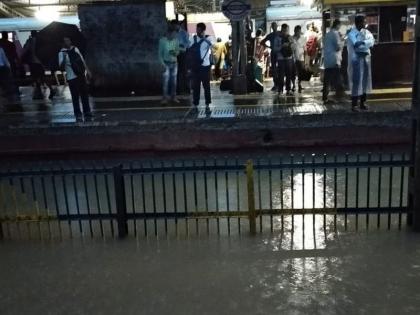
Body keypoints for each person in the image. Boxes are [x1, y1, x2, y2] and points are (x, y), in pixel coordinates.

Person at [59, 36, 92, 122]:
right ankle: (78, 114)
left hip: (80, 75)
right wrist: (64, 57)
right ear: (62, 43)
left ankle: (87, 111)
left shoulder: (75, 49)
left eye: (68, 40)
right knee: (75, 97)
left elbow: (82, 60)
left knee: (84, 95)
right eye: (65, 41)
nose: (68, 42)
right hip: (71, 77)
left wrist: (87, 71)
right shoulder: (61, 53)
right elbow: (61, 67)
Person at [347, 15, 375, 111]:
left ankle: (363, 103)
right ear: (358, 23)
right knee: (356, 82)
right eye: (363, 22)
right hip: (356, 62)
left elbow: (372, 41)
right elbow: (356, 46)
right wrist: (365, 44)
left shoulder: (366, 32)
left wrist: (363, 43)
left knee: (365, 82)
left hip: (365, 61)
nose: (365, 23)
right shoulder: (352, 34)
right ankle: (354, 105)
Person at [22, 30, 55, 100]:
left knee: (35, 77)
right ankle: (51, 89)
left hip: (33, 62)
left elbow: (25, 49)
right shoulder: (41, 41)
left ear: (31, 34)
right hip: (41, 62)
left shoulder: (30, 41)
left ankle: (38, 93)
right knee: (43, 76)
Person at [188, 22, 213, 114]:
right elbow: (188, 48)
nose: (197, 31)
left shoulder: (209, 38)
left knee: (206, 86)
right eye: (197, 29)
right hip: (195, 66)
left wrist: (203, 38)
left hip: (205, 66)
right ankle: (195, 103)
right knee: (196, 86)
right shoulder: (192, 38)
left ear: (203, 30)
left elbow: (212, 46)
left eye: (199, 29)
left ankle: (207, 104)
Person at [323, 19, 345, 104]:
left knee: (327, 80)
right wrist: (342, 40)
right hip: (334, 60)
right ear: (338, 25)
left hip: (328, 60)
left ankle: (325, 98)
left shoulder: (327, 34)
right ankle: (340, 97)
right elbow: (338, 47)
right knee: (338, 79)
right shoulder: (335, 34)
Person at [158, 24, 180, 105]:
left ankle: (173, 97)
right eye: (174, 33)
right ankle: (164, 98)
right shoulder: (162, 41)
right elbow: (159, 55)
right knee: (165, 82)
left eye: (175, 34)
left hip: (174, 63)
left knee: (174, 82)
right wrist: (162, 64)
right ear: (169, 33)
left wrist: (175, 52)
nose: (175, 35)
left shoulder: (176, 40)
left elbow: (178, 51)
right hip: (166, 63)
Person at [273, 23, 294, 96]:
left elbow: (294, 48)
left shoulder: (290, 37)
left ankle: (288, 89)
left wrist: (290, 45)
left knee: (289, 74)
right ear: (281, 29)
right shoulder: (277, 38)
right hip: (280, 59)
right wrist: (282, 46)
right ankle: (280, 90)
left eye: (286, 30)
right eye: (284, 30)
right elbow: (275, 49)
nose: (285, 32)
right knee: (281, 75)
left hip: (288, 58)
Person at [170, 20, 190, 95]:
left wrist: (182, 45)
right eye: (172, 26)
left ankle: (187, 89)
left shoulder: (184, 33)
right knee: (177, 72)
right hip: (175, 54)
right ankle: (178, 90)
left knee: (184, 71)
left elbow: (188, 44)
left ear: (177, 25)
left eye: (174, 25)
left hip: (182, 54)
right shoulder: (173, 33)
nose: (173, 27)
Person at [261, 22, 281, 91]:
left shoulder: (278, 33)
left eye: (274, 26)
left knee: (279, 68)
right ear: (272, 27)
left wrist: (269, 46)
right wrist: (269, 46)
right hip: (275, 53)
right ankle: (276, 84)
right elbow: (262, 42)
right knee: (275, 69)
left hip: (279, 53)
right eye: (273, 26)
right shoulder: (272, 35)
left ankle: (279, 83)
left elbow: (262, 42)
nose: (274, 27)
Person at [292, 25, 306, 93]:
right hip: (293, 58)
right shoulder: (291, 38)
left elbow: (305, 49)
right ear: (294, 31)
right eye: (297, 31)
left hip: (301, 58)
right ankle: (293, 85)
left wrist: (306, 60)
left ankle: (299, 85)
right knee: (293, 72)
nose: (298, 32)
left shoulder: (303, 38)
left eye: (299, 31)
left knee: (300, 72)